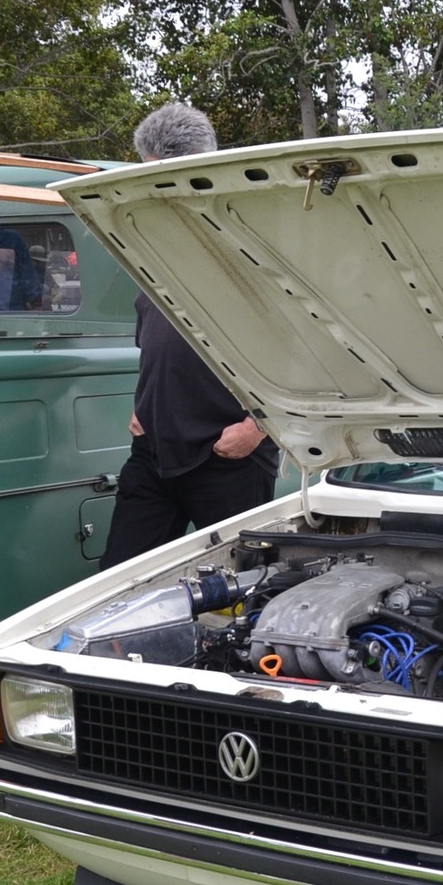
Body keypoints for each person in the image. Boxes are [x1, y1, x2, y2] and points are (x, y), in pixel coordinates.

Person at [98, 102, 280, 570]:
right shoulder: (150, 243)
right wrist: (142, 407)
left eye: (160, 178)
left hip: (229, 453)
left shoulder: (251, 240)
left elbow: (304, 350)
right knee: (120, 580)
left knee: (248, 587)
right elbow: (154, 344)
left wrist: (259, 428)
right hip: (153, 452)